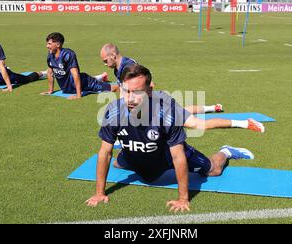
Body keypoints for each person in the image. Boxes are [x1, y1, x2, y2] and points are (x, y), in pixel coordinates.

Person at [86, 64, 256, 212]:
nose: (130, 98)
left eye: (137, 92)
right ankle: (132, 150)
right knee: (116, 162)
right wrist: (99, 193)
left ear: (149, 91)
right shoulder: (114, 111)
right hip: (135, 153)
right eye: (126, 91)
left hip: (166, 154)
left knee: (214, 170)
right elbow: (105, 153)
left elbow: (178, 156)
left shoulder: (166, 113)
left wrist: (183, 198)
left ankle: (226, 151)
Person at [99, 43, 264, 133]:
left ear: (113, 55)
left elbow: (150, 86)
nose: (105, 64)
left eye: (105, 61)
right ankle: (212, 107)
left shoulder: (129, 66)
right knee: (184, 111)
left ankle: (244, 123)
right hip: (153, 105)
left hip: (155, 105)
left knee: (198, 125)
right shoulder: (118, 68)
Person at [40, 33, 119, 100]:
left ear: (58, 44)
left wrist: (78, 95)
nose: (47, 46)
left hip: (85, 82)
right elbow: (50, 72)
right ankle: (102, 77)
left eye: (49, 44)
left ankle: (127, 86)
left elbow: (75, 74)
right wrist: (50, 90)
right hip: (68, 88)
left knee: (112, 88)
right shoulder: (50, 55)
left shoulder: (68, 54)